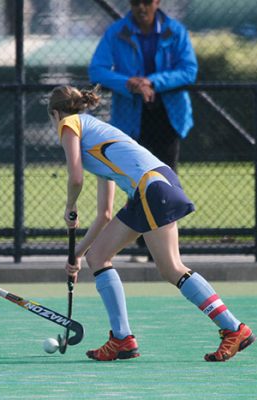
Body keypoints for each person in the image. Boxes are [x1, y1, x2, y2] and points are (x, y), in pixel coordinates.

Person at [47, 85, 255, 362]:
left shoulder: (69, 124)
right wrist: (77, 255)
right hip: (152, 186)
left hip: (151, 187)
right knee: (99, 256)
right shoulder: (95, 136)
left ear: (55, 113)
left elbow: (75, 179)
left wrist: (70, 205)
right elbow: (105, 215)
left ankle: (233, 328)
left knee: (172, 268)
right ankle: (122, 339)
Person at [88, 0, 198, 261]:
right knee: (134, 184)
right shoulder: (117, 32)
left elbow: (188, 71)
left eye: (146, 2)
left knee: (165, 184)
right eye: (136, 2)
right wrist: (129, 83)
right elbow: (97, 70)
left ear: (157, 2)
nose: (141, 7)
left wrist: (152, 82)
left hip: (168, 118)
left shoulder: (175, 31)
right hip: (131, 122)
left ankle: (164, 252)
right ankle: (141, 246)